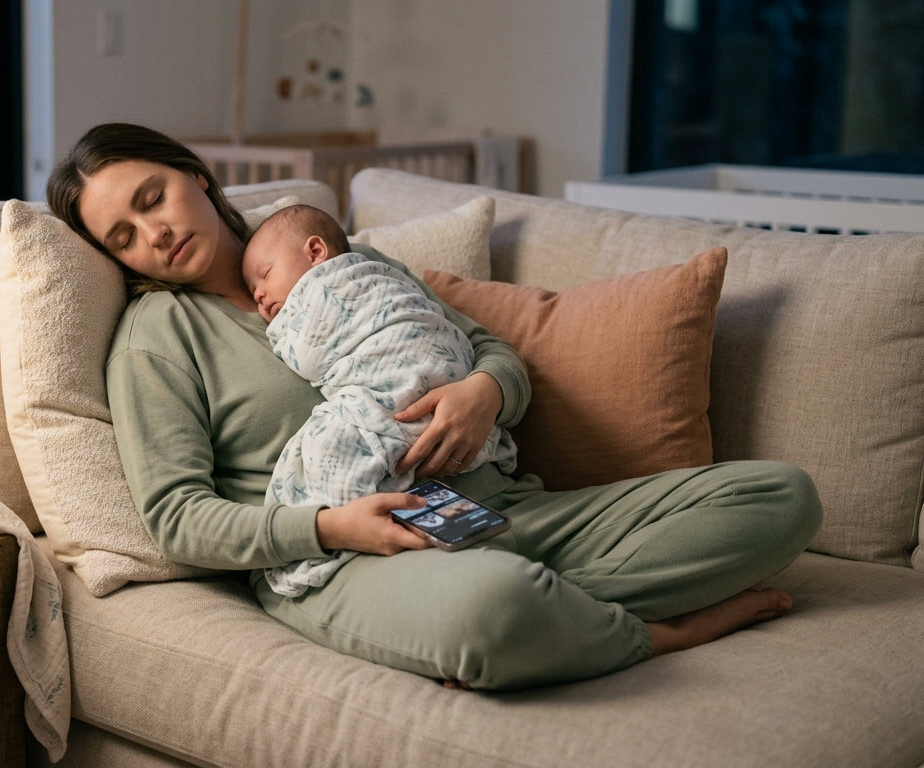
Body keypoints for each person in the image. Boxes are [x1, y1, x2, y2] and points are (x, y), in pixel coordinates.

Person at [47, 122, 822, 690]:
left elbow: (486, 351)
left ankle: (556, 616)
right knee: (491, 611)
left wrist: (486, 393)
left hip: (500, 508)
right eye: (124, 236)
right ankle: (653, 633)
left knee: (780, 497)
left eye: (153, 198)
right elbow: (177, 517)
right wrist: (328, 526)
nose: (154, 233)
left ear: (197, 176)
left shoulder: (336, 258)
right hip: (349, 558)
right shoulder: (158, 338)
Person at [242, 204, 517, 597]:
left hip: (423, 386)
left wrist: (487, 389)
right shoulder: (372, 275)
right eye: (254, 290)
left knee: (327, 443)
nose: (259, 294)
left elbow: (312, 357)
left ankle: (326, 540)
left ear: (316, 252)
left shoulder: (345, 280)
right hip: (446, 408)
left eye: (265, 275)